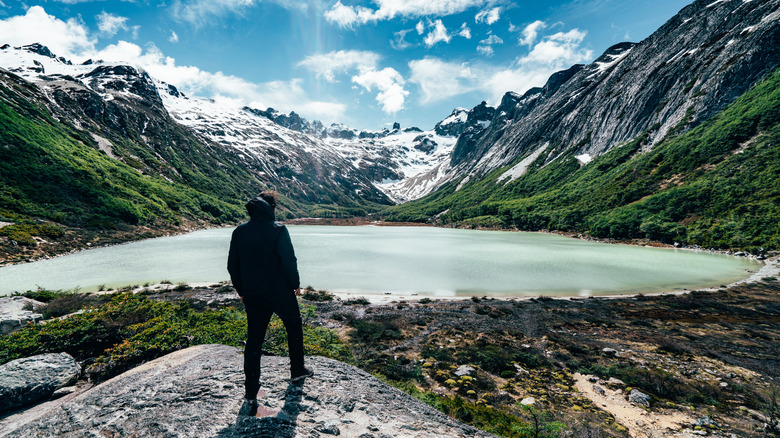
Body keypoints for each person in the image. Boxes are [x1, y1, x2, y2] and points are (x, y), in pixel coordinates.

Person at [227, 191, 313, 406]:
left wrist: (242, 291)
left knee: (254, 339)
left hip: (253, 294)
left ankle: (250, 390)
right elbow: (288, 260)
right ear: (271, 207)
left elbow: (232, 265)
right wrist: (295, 284)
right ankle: (297, 370)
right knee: (293, 327)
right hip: (280, 291)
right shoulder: (279, 229)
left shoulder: (239, 232)